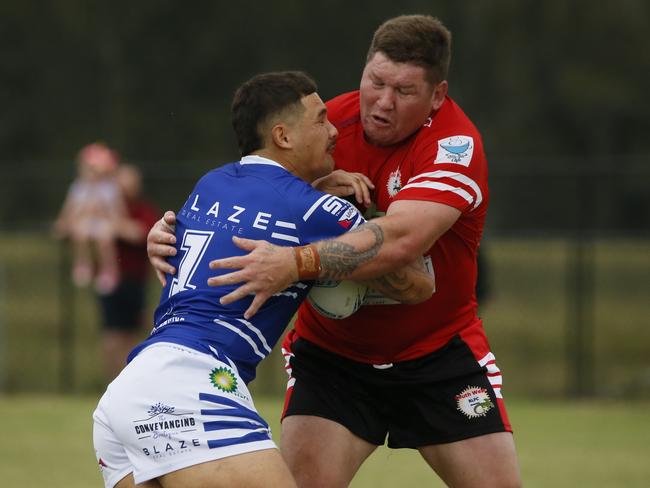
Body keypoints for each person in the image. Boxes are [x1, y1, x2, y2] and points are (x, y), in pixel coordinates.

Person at [148, 15, 522, 488]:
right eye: (375, 82)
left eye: (404, 92)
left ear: (437, 95)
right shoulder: (328, 124)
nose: (382, 102)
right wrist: (172, 234)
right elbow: (253, 192)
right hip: (332, 358)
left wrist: (295, 263)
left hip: (437, 352)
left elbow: (402, 240)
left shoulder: (453, 146)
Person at [93, 71, 434, 488]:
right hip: (191, 384)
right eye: (321, 121)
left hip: (131, 387)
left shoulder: (212, 182)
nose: (334, 132)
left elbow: (264, 208)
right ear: (283, 136)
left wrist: (318, 187)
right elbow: (418, 282)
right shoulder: (317, 211)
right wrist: (331, 244)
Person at [96, 164, 160, 381]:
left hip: (135, 281)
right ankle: (113, 383)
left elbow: (141, 233)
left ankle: (132, 381)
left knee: (134, 334)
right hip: (111, 282)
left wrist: (118, 227)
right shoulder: (105, 207)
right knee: (112, 335)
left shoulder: (143, 210)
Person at [53, 142, 126, 293]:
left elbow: (118, 212)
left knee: (105, 238)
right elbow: (70, 209)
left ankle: (109, 270)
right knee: (80, 234)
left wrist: (103, 212)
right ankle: (82, 264)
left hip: (104, 223)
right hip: (85, 221)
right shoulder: (78, 187)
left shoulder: (109, 188)